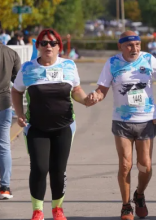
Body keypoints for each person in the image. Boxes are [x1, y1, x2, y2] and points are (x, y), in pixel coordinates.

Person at [85, 31, 156, 220]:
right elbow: (102, 90)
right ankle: (126, 205)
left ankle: (139, 194)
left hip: (146, 120)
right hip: (122, 121)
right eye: (129, 45)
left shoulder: (148, 59)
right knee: (125, 164)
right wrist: (95, 96)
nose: (134, 48)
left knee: (145, 166)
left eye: (137, 44)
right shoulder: (112, 63)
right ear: (120, 46)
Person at [11, 28, 89, 220]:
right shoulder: (28, 68)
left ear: (59, 47)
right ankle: (37, 210)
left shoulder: (69, 66)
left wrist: (87, 99)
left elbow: (76, 90)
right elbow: (16, 91)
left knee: (58, 169)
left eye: (53, 43)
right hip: (36, 127)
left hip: (64, 127)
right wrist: (20, 114)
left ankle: (57, 209)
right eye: (44, 43)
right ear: (37, 46)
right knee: (39, 167)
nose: (48, 46)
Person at [0, 41, 21, 200]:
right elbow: (19, 81)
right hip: (4, 103)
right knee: (4, 145)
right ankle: (5, 187)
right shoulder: (11, 54)